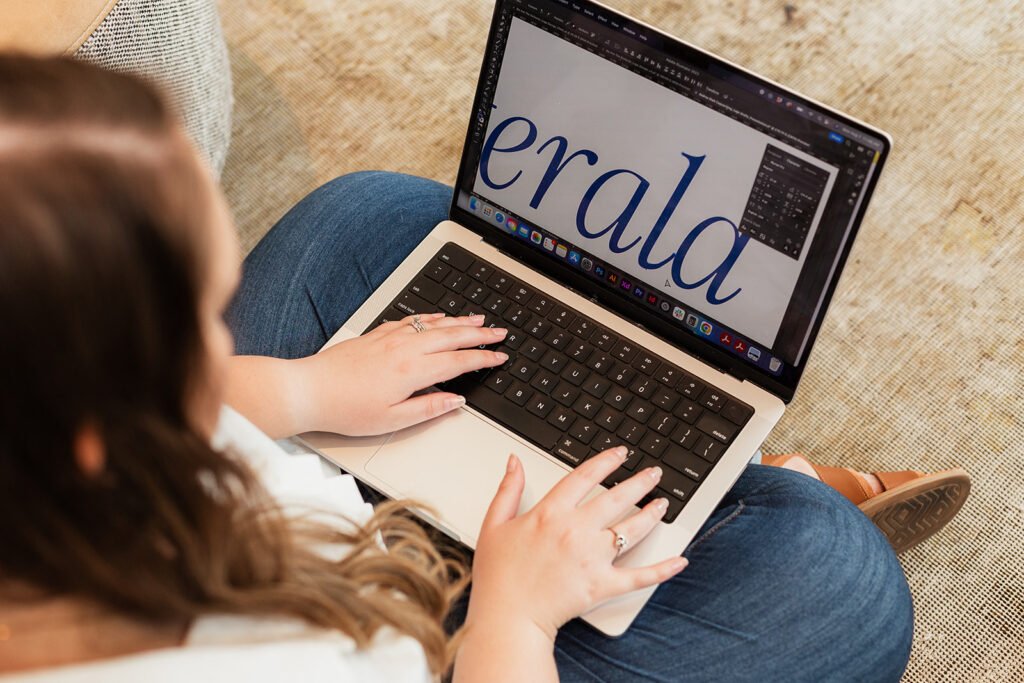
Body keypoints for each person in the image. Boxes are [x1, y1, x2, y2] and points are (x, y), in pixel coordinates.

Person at [0, 56, 918, 682]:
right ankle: (746, 500)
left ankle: (714, 494)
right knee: (840, 585)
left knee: (371, 216)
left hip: (286, 521)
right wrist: (514, 620)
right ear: (103, 434)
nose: (223, 332)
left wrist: (306, 388)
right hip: (435, 640)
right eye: (205, 316)